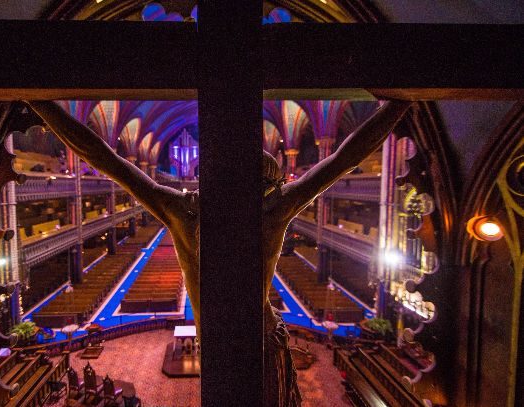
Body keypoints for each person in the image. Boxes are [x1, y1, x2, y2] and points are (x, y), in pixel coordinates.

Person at [26, 99, 412, 406]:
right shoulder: (272, 209)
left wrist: (40, 102)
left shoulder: (182, 208)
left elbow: (104, 158)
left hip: (224, 339)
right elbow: (342, 160)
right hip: (260, 336)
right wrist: (400, 106)